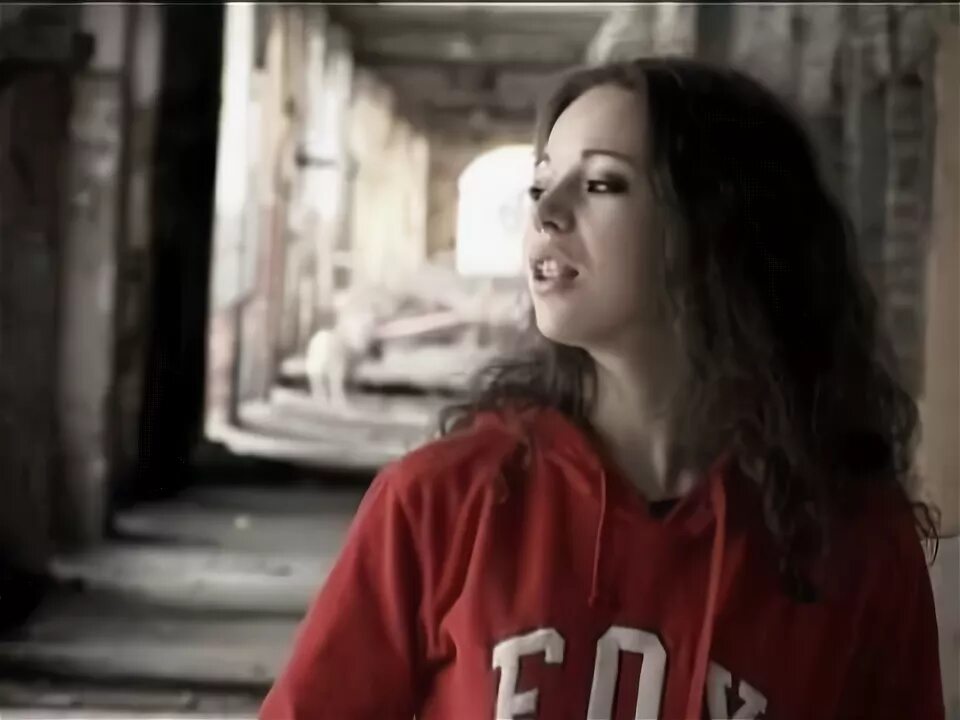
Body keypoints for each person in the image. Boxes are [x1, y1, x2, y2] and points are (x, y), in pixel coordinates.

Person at [260, 57, 944, 720]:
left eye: (601, 184)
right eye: (540, 186)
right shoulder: (446, 504)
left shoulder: (854, 545)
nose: (546, 214)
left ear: (717, 226)